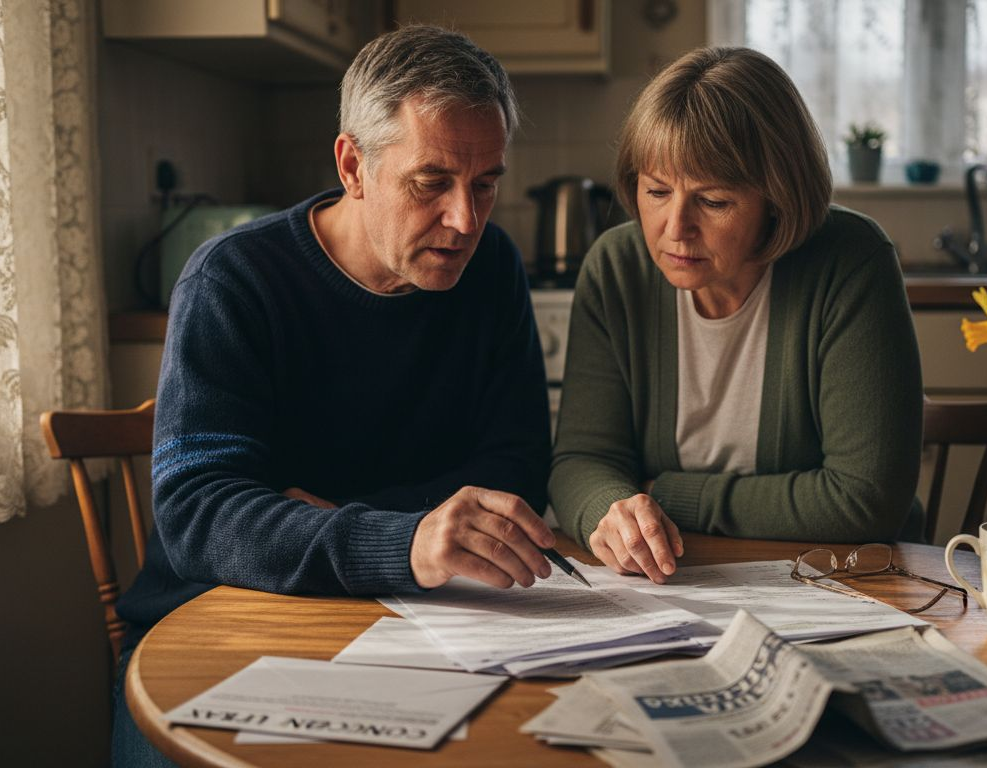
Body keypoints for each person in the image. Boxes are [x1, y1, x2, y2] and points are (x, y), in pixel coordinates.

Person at [111, 26, 555, 765]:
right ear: (353, 165)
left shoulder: (493, 268)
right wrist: (405, 537)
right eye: (431, 182)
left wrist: (314, 515)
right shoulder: (233, 279)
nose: (465, 221)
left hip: (423, 621)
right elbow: (198, 514)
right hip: (220, 624)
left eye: (485, 184)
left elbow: (514, 470)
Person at [549, 47, 923, 586]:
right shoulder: (616, 267)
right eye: (656, 191)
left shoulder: (851, 261)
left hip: (848, 582)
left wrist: (668, 494)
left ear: (776, 197)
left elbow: (863, 499)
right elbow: (582, 459)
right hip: (677, 581)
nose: (675, 227)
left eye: (714, 201)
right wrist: (614, 511)